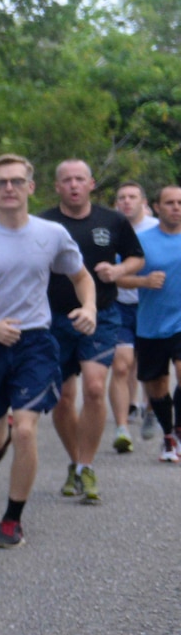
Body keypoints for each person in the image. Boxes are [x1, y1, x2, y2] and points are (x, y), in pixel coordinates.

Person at [0, 155, 96, 548]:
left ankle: (12, 520)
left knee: (28, 430)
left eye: (17, 181)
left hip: (34, 341)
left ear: (31, 187)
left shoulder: (52, 234)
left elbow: (82, 277)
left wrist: (90, 307)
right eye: (1, 182)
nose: (9, 188)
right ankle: (1, 438)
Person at [41, 159, 143, 502]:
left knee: (96, 388)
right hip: (53, 317)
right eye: (66, 180)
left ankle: (86, 467)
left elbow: (135, 258)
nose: (73, 185)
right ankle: (74, 461)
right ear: (57, 186)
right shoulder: (43, 222)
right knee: (64, 398)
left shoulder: (112, 220)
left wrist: (118, 271)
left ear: (91, 184)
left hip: (102, 313)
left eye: (79, 179)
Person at [129, 184, 181, 461]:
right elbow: (118, 276)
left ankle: (180, 431)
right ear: (157, 207)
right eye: (170, 202)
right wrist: (143, 281)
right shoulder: (142, 241)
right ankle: (169, 437)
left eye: (180, 203)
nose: (176, 207)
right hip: (151, 325)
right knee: (157, 387)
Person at [110, 182, 159, 442]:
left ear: (144, 202)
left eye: (132, 197)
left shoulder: (157, 229)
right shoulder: (110, 229)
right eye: (122, 197)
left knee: (150, 368)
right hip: (118, 306)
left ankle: (150, 409)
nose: (127, 201)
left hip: (151, 305)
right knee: (121, 365)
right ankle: (122, 429)